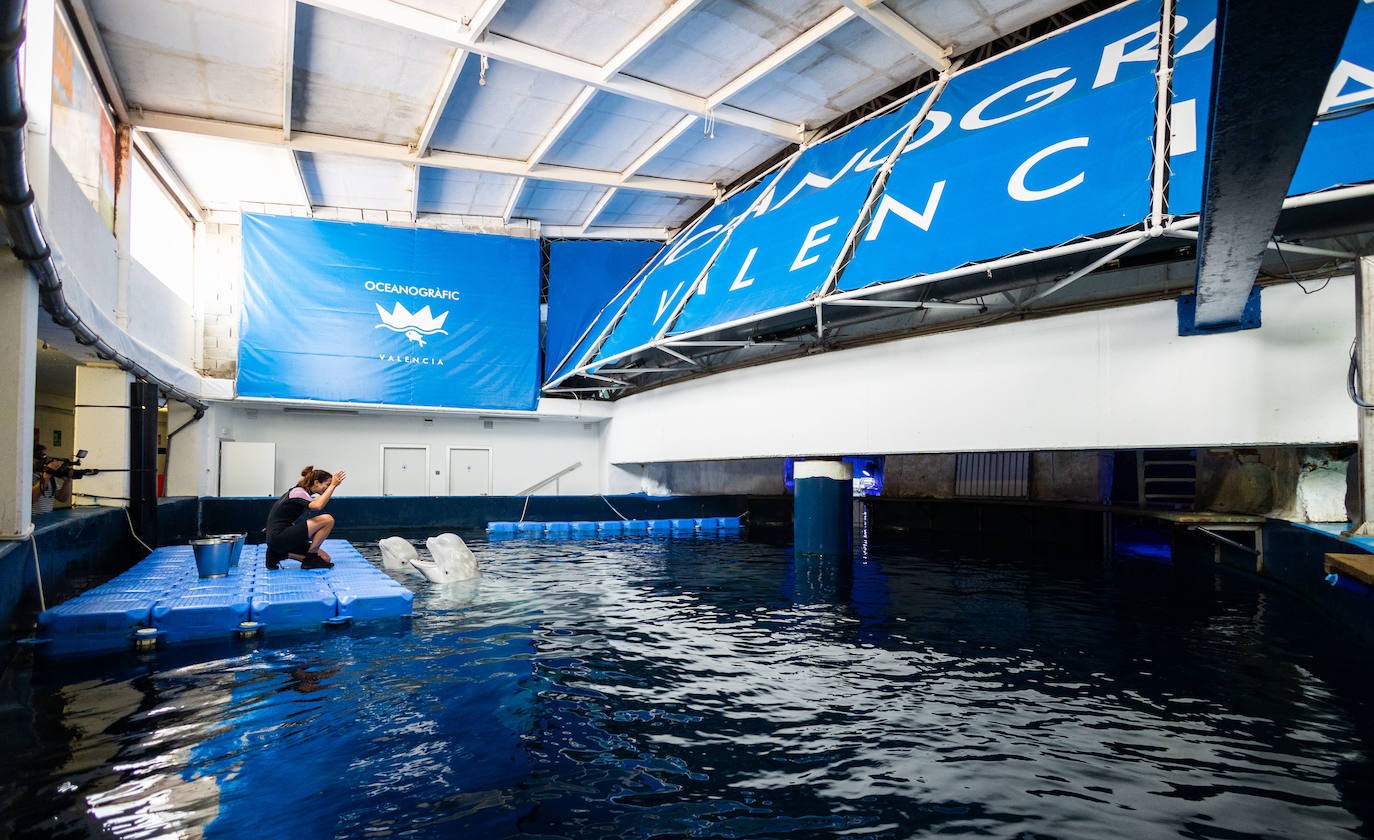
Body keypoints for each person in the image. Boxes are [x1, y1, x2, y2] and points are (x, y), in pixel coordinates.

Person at [264, 466, 346, 570]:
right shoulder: (298, 492)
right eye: (327, 484)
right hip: (279, 536)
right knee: (328, 519)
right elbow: (318, 506)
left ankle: (279, 555)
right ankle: (311, 558)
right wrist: (333, 485)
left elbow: (318, 500)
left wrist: (332, 486)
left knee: (325, 559)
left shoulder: (302, 493)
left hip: (280, 540)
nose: (328, 487)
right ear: (316, 483)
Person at [31, 445, 73, 515]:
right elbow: (31, 499)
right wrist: (47, 475)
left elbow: (62, 498)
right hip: (31, 521)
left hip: (47, 520)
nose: (42, 460)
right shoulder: (25, 477)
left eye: (44, 456)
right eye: (39, 457)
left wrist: (67, 481)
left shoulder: (48, 477)